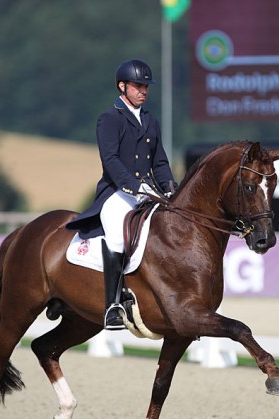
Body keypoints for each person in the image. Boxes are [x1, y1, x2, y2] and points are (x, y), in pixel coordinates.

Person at [67, 58, 177, 330]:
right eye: (138, 86)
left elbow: (160, 162)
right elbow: (111, 160)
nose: (143, 90)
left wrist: (172, 190)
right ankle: (113, 306)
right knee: (117, 235)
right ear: (122, 86)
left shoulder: (150, 121)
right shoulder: (110, 118)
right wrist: (133, 186)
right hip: (117, 193)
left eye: (146, 86)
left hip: (146, 191)